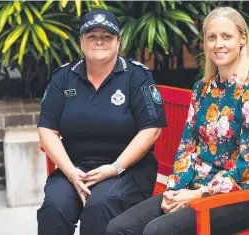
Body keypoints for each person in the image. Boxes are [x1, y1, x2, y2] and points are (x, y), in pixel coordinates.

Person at [106, 6, 249, 235]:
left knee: (156, 231)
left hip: (237, 197)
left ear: (242, 39)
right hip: (193, 187)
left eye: (227, 36)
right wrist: (174, 190)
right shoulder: (202, 89)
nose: (218, 44)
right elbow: (188, 147)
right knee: (119, 228)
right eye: (212, 37)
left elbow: (248, 166)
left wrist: (199, 194)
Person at [37, 9, 167, 235]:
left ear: (119, 42)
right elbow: (47, 129)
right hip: (76, 169)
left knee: (100, 206)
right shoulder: (64, 77)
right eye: (91, 36)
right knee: (55, 206)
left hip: (127, 169)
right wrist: (70, 172)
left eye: (107, 36)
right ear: (81, 42)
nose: (99, 41)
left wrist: (115, 168)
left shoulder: (136, 76)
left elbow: (151, 129)